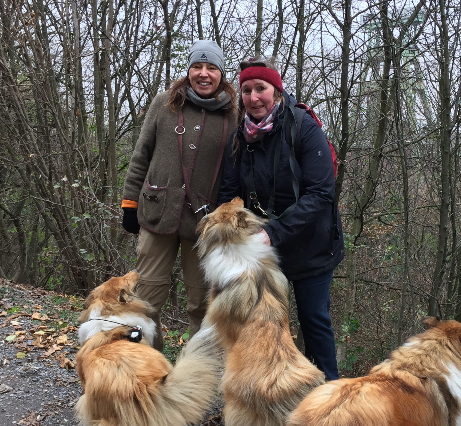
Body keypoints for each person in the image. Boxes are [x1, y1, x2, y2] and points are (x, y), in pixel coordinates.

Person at [218, 57, 344, 379]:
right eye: (246, 90)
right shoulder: (240, 137)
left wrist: (274, 233)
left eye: (261, 88)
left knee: (314, 320)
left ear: (276, 90)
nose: (253, 97)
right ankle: (275, 391)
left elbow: (321, 192)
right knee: (266, 324)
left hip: (311, 246)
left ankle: (330, 396)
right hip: (266, 250)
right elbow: (229, 193)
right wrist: (226, 233)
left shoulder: (303, 127)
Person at [121, 41, 237, 350]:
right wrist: (129, 203)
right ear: (188, 71)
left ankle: (194, 372)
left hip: (204, 225)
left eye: (211, 68)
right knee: (145, 297)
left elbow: (238, 171)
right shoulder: (164, 104)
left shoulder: (233, 116)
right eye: (197, 67)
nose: (203, 74)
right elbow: (141, 155)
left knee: (201, 302)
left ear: (221, 74)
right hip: (156, 212)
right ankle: (149, 363)